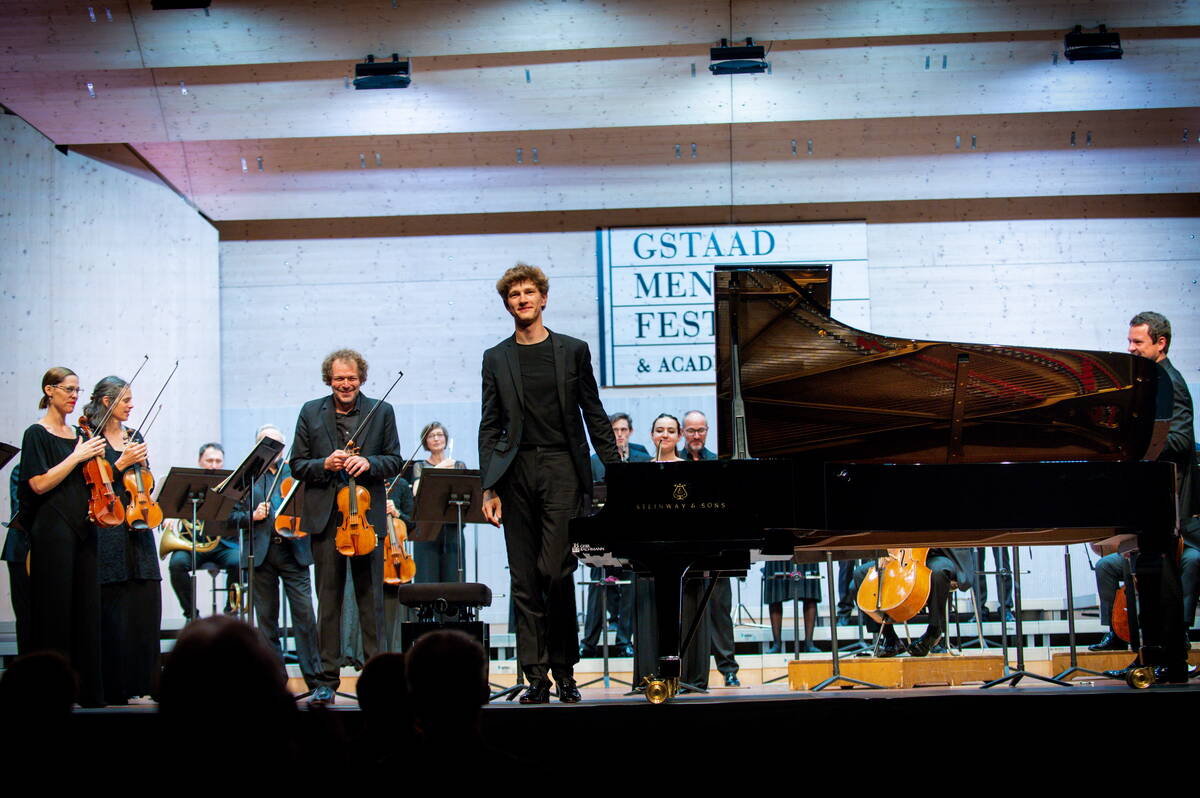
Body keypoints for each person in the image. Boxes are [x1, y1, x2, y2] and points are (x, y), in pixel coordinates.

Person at [478, 262, 618, 704]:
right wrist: (488, 487)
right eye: (514, 295)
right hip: (515, 472)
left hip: (562, 470)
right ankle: (536, 676)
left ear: (543, 298)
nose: (522, 300)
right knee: (524, 578)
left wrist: (617, 470)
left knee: (555, 572)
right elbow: (490, 424)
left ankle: (565, 669)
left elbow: (594, 414)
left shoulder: (573, 350)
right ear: (508, 304)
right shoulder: (496, 357)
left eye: (528, 292)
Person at [290, 348, 403, 705]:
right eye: (339, 378)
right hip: (326, 519)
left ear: (361, 378)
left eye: (351, 378)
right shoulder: (311, 411)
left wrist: (368, 464)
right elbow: (296, 464)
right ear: (329, 379)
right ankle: (326, 680)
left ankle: (378, 678)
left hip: (366, 521)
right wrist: (325, 462)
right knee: (329, 603)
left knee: (372, 603)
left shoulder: (381, 411)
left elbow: (395, 460)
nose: (345, 384)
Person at [1090, 312, 1197, 655]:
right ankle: (1150, 659)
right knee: (1145, 578)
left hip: (1166, 501)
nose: (1130, 348)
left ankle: (1170, 660)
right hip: (1151, 497)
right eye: (1129, 341)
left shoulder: (1170, 382)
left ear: (1160, 343)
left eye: (1138, 342)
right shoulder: (1152, 379)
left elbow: (1180, 440)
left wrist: (1135, 446)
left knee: (1161, 582)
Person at [17, 367, 107, 706]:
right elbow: (38, 483)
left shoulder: (79, 434)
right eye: (68, 389)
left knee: (86, 611)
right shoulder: (36, 434)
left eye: (77, 390)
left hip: (84, 525)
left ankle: (88, 692)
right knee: (54, 611)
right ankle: (51, 695)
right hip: (51, 529)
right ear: (49, 390)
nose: (74, 396)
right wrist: (77, 456)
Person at [85, 376, 162, 705]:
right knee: (113, 615)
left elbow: (143, 481)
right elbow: (95, 485)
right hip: (111, 529)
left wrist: (143, 466)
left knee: (145, 609)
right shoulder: (92, 438)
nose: (132, 405)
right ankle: (114, 687)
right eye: (125, 400)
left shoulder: (134, 435)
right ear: (106, 402)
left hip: (140, 527)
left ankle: (142, 682)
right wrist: (121, 464)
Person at [227, 424, 321, 693]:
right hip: (261, 555)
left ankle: (316, 681)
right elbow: (229, 518)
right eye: (267, 444)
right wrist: (251, 516)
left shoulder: (297, 473)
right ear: (257, 447)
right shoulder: (246, 476)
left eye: (278, 445)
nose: (273, 450)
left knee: (305, 617)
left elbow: (314, 510)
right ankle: (275, 683)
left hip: (294, 551)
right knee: (267, 621)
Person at [633, 413, 710, 690]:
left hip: (686, 552)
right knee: (649, 610)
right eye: (659, 430)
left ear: (679, 437)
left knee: (687, 608)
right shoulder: (640, 472)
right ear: (652, 436)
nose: (664, 435)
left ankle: (690, 677)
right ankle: (649, 676)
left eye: (670, 431)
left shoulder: (691, 469)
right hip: (649, 553)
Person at [680, 410, 741, 685]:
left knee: (720, 611)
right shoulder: (673, 462)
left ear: (707, 431)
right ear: (683, 432)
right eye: (691, 431)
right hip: (683, 551)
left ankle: (728, 670)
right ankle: (687, 671)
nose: (696, 436)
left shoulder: (718, 463)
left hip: (715, 550)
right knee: (686, 612)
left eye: (700, 430)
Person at [580, 412, 647, 658]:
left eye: (623, 430)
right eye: (615, 430)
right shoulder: (594, 461)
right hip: (603, 535)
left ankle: (623, 641)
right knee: (598, 587)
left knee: (629, 589)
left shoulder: (641, 458)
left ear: (630, 431)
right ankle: (589, 642)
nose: (619, 435)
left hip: (631, 535)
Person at [166, 442, 242, 620]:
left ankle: (231, 611)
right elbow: (169, 505)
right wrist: (169, 515)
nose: (214, 465)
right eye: (209, 460)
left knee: (239, 561)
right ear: (200, 461)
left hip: (223, 544)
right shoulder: (185, 484)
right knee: (177, 564)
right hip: (191, 544)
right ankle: (192, 615)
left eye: (218, 461)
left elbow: (239, 514)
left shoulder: (232, 486)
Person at [850, 548, 975, 656]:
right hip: (901, 557)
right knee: (859, 577)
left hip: (939, 554)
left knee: (938, 572)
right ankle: (890, 638)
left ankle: (934, 631)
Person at [409, 421, 468, 583]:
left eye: (439, 435)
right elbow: (417, 492)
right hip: (427, 529)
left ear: (446, 439)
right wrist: (439, 469)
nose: (436, 438)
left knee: (454, 578)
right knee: (427, 578)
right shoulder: (420, 466)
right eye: (431, 436)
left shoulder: (458, 465)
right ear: (425, 441)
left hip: (451, 526)